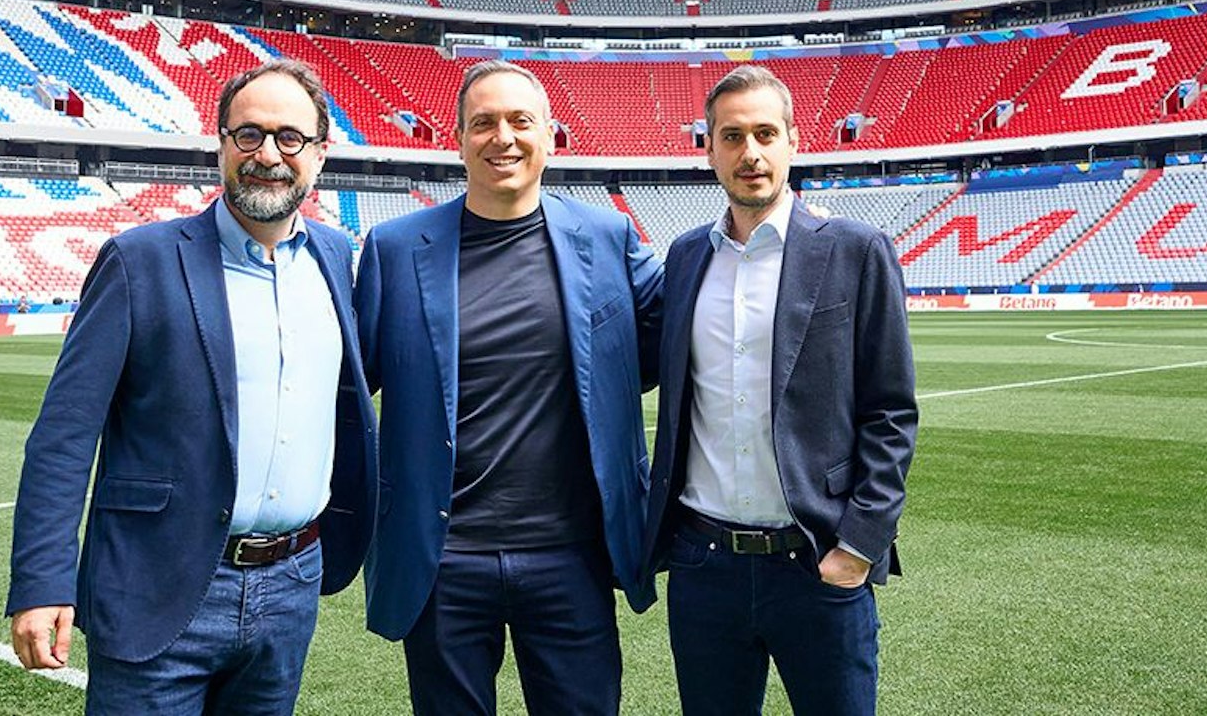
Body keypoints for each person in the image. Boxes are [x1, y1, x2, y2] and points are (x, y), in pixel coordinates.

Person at [6, 58, 376, 715]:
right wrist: (41, 582)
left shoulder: (334, 255)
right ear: (222, 144)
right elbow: (64, 433)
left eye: (290, 137)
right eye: (248, 134)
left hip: (291, 585)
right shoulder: (139, 259)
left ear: (321, 153)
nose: (268, 155)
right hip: (158, 579)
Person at [354, 59, 663, 716]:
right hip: (443, 559)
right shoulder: (394, 248)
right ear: (458, 139)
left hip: (572, 554)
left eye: (521, 121)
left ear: (551, 135)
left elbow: (675, 335)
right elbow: (346, 390)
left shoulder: (608, 237)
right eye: (484, 122)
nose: (504, 137)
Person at [641, 64, 917, 716]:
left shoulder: (856, 249)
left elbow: (891, 409)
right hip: (704, 565)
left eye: (766, 133)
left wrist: (859, 544)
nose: (751, 153)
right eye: (732, 136)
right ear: (709, 150)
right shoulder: (686, 256)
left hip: (815, 561)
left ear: (794, 140)